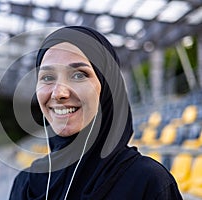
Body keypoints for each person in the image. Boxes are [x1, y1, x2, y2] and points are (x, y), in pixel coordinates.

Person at [9, 26, 182, 200]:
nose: (59, 93)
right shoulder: (25, 184)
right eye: (47, 77)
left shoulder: (148, 182)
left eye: (78, 75)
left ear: (108, 87)